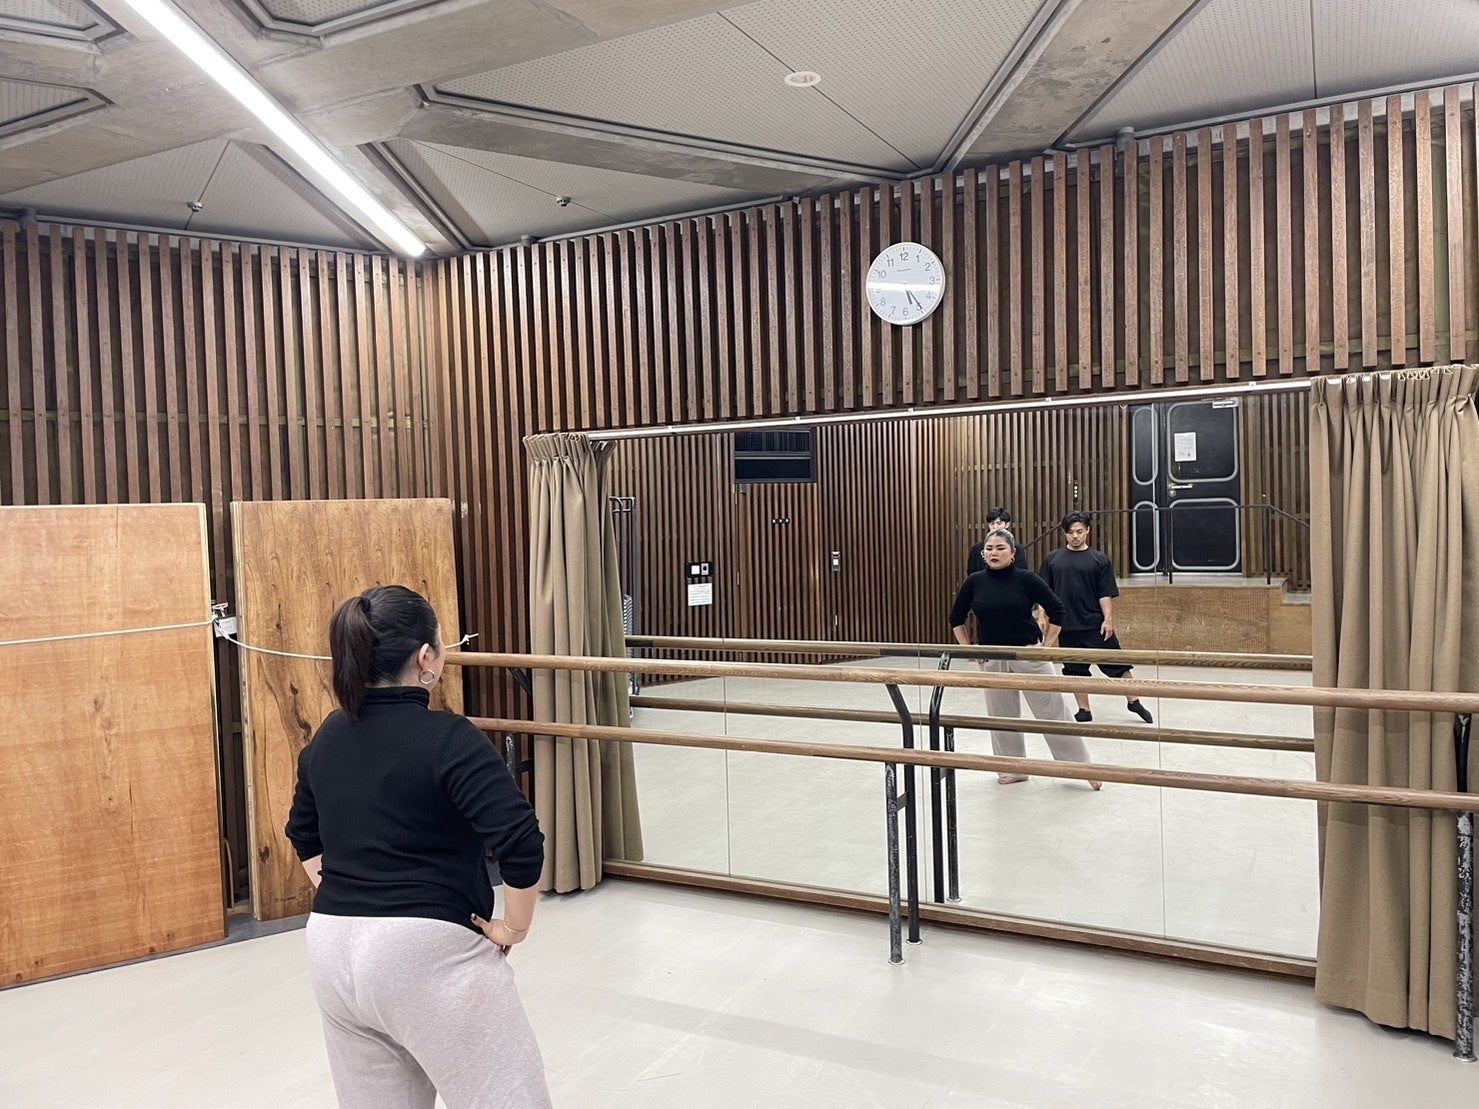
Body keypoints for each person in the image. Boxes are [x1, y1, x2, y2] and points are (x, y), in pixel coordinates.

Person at [285, 585, 551, 1108]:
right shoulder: (448, 738)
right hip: (424, 953)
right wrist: (512, 929)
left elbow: (302, 834)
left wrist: (353, 898)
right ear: (427, 657)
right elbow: (521, 843)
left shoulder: (329, 735)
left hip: (333, 948)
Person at [949, 530, 1100, 789]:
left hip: (1029, 654)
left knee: (1053, 711)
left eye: (1000, 548)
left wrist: (1047, 646)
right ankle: (1012, 769)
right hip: (993, 657)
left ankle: (1080, 766)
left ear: (1013, 553)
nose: (994, 553)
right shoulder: (974, 582)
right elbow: (956, 619)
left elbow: (1057, 609)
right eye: (989, 549)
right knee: (1002, 716)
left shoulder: (1026, 579)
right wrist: (971, 650)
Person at [1038, 511, 1154, 724]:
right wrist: (1042, 615)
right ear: (1064, 533)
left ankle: (1134, 700)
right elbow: (1045, 592)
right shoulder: (1052, 560)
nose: (1075, 536)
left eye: (1079, 531)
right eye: (1071, 532)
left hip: (1094, 624)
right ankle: (1084, 709)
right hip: (1067, 625)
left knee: (1118, 664)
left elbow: (1105, 593)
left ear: (1088, 531)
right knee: (1074, 669)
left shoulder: (1099, 559)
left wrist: (1108, 619)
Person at [966, 506, 1029, 576]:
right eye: (992, 523)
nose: (995, 527)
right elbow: (971, 572)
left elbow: (1022, 571)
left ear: (1007, 524)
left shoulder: (1017, 548)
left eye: (999, 523)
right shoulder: (977, 548)